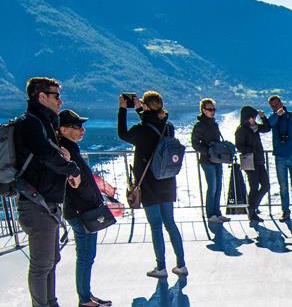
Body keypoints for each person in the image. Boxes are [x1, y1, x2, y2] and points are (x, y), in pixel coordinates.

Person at [12, 77, 84, 307]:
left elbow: (49, 156)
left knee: (51, 261)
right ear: (41, 96)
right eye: (56, 96)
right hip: (36, 205)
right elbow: (46, 155)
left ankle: (51, 303)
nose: (60, 101)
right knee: (42, 264)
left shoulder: (43, 124)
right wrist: (72, 169)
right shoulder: (32, 123)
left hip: (47, 204)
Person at [118, 91, 188, 278]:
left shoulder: (141, 130)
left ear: (146, 106)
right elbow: (154, 123)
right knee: (170, 224)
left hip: (148, 184)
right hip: (167, 182)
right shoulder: (169, 127)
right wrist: (142, 109)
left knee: (156, 226)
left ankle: (161, 267)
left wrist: (123, 109)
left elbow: (122, 133)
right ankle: (181, 264)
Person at [55, 109, 114, 307]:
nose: (83, 130)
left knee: (87, 257)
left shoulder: (71, 148)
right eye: (77, 126)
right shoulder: (64, 151)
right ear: (63, 129)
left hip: (85, 210)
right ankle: (84, 299)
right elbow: (74, 184)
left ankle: (86, 295)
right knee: (85, 257)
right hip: (81, 212)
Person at [258, 95, 292, 221]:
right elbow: (268, 126)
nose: (276, 106)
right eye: (273, 106)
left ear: (281, 102)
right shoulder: (273, 119)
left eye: (277, 104)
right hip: (280, 158)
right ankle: (285, 212)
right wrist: (277, 114)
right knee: (283, 187)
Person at [190, 98, 230, 224]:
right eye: (209, 109)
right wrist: (208, 151)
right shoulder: (199, 126)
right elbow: (195, 143)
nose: (212, 111)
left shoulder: (214, 124)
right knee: (212, 187)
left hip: (217, 159)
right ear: (203, 110)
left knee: (218, 187)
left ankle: (217, 213)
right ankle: (210, 214)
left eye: (213, 109)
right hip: (207, 160)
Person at [234, 106, 270, 223]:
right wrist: (252, 149)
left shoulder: (255, 128)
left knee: (265, 186)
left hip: (259, 160)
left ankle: (252, 207)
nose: (254, 119)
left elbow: (267, 128)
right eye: (253, 117)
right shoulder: (241, 130)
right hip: (249, 161)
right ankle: (252, 211)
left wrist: (263, 117)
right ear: (247, 118)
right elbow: (239, 146)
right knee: (254, 186)